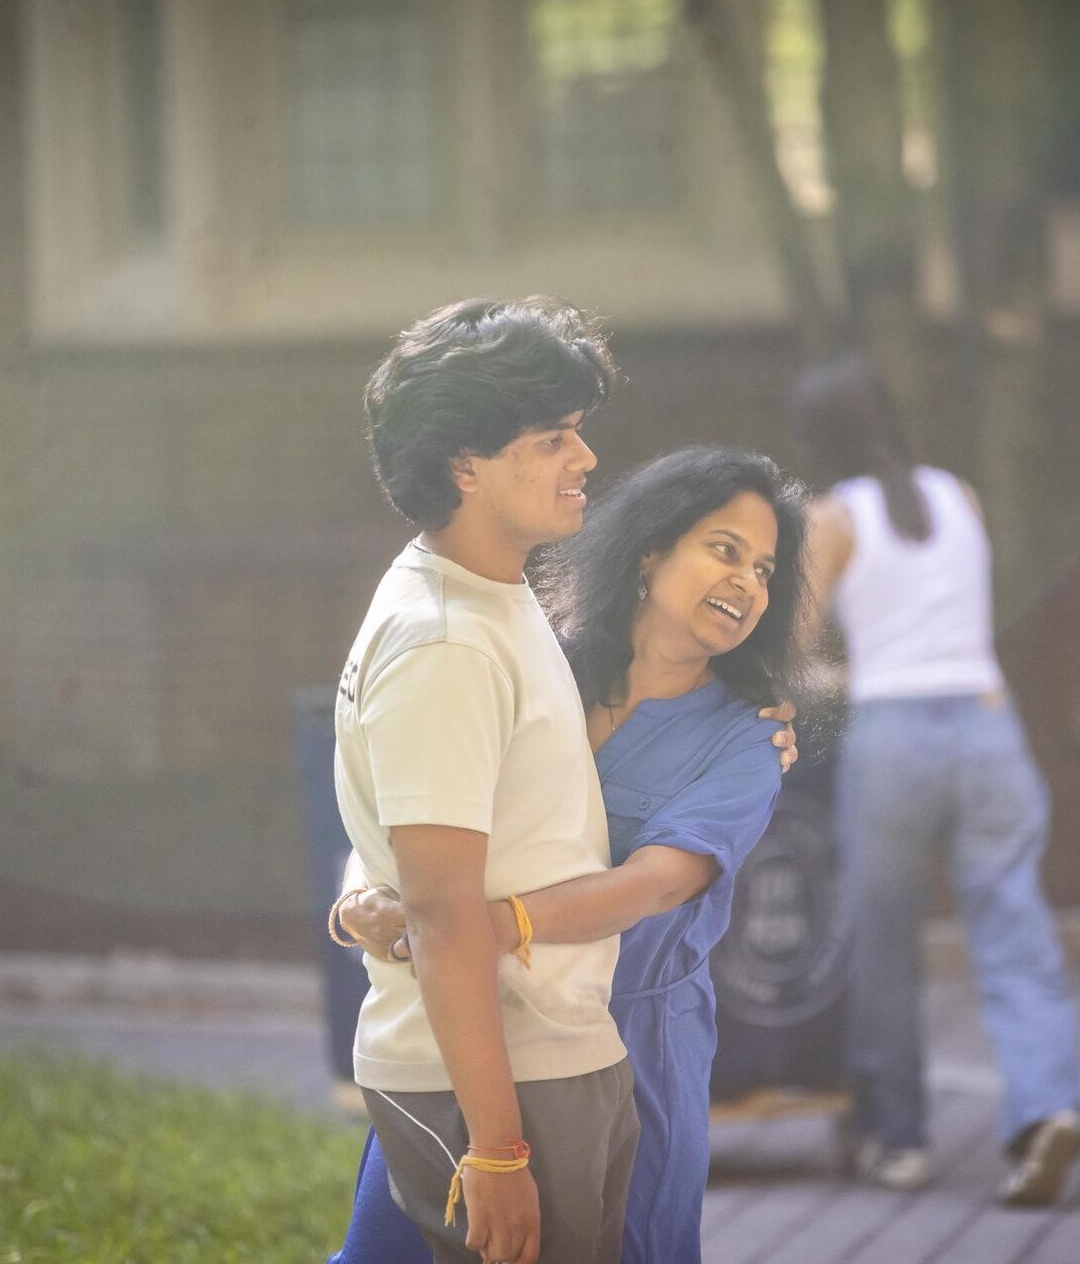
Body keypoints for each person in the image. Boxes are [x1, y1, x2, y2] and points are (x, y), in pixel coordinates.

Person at [331, 445, 813, 1263]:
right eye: (724, 551)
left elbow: (655, 883)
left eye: (765, 570)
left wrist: (482, 923)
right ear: (651, 548)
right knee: (390, 1248)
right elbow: (409, 804)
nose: (747, 583)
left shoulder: (749, 740)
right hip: (473, 1023)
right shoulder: (533, 655)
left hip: (632, 1043)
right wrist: (361, 901)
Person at [333, 297, 637, 1264]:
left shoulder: (489, 595)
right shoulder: (446, 640)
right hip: (500, 1075)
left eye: (578, 433)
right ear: (464, 463)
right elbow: (441, 907)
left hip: (540, 1051)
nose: (583, 460)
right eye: (552, 438)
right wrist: (498, 1152)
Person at [789, 354, 1080, 1208]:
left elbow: (793, 655)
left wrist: (841, 685)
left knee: (885, 949)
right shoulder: (960, 498)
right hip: (989, 727)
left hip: (894, 742)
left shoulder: (830, 518)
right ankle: (1047, 1110)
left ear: (818, 437)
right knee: (1015, 932)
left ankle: (898, 1141)